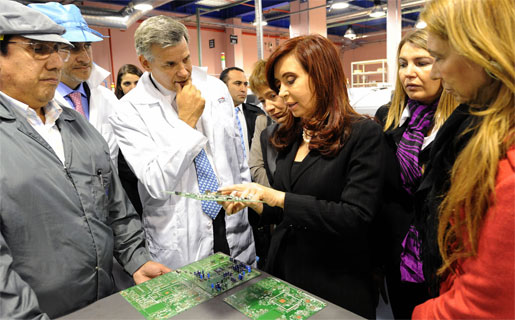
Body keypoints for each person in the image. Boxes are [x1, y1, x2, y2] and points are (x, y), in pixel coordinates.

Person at [0, 2, 170, 319]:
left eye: (58, 50)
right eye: (39, 49)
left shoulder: (79, 127)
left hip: (102, 302)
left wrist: (137, 259)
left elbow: (115, 207)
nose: (55, 63)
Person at [220, 34, 385, 318]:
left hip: (335, 279)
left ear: (320, 75)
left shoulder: (362, 135)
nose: (282, 93)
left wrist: (278, 197)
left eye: (290, 80)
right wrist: (255, 201)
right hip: (285, 271)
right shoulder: (291, 135)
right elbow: (285, 212)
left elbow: (355, 217)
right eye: (278, 85)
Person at [109, 15, 256, 270]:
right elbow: (156, 182)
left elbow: (236, 155)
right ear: (145, 63)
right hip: (181, 236)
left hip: (232, 222)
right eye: (170, 64)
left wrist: (245, 195)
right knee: (193, 308)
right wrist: (186, 123)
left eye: (186, 58)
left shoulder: (215, 89)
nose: (184, 71)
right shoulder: (127, 112)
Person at [411, 0, 514, 318]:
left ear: (482, 52)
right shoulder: (477, 130)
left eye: (438, 58)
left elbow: (483, 306)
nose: (437, 73)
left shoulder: (506, 166)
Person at [373, 29, 456, 318]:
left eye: (421, 62)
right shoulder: (388, 118)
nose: (409, 73)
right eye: (402, 64)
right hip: (398, 254)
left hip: (445, 259)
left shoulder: (461, 123)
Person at [29, 2, 120, 165]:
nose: (85, 58)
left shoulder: (107, 98)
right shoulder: (34, 105)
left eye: (87, 46)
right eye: (71, 47)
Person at [248, 59, 289, 187]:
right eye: (263, 101)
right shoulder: (264, 124)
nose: (269, 107)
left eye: (272, 96)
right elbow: (256, 165)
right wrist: (275, 196)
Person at [115, 63, 144, 216]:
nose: (133, 88)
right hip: (128, 178)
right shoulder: (115, 109)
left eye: (137, 83)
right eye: (127, 83)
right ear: (120, 86)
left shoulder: (151, 108)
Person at [220, 67, 265, 159]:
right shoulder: (214, 116)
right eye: (238, 83)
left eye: (245, 84)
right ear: (223, 86)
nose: (243, 89)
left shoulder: (256, 114)